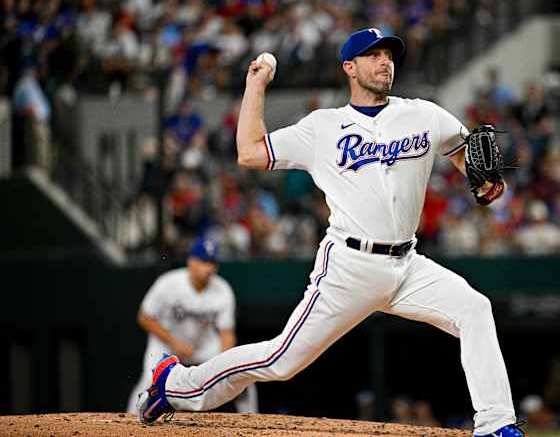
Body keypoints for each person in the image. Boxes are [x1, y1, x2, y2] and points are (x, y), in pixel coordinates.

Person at [138, 28, 526, 437]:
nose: (383, 62)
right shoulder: (323, 128)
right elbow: (249, 152)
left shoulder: (425, 115)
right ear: (349, 67)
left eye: (388, 55)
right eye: (372, 55)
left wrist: (483, 183)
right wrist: (255, 85)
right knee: (280, 362)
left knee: (475, 308)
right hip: (349, 267)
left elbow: (467, 155)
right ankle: (175, 384)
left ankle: (496, 424)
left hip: (408, 265)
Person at [128, 237, 257, 414]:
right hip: (166, 345)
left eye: (212, 262)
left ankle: (253, 422)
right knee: (148, 384)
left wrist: (223, 362)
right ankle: (130, 420)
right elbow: (144, 317)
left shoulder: (223, 290)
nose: (209, 268)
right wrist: (173, 342)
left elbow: (226, 332)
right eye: (204, 261)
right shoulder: (168, 283)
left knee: (241, 377)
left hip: (202, 347)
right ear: (191, 261)